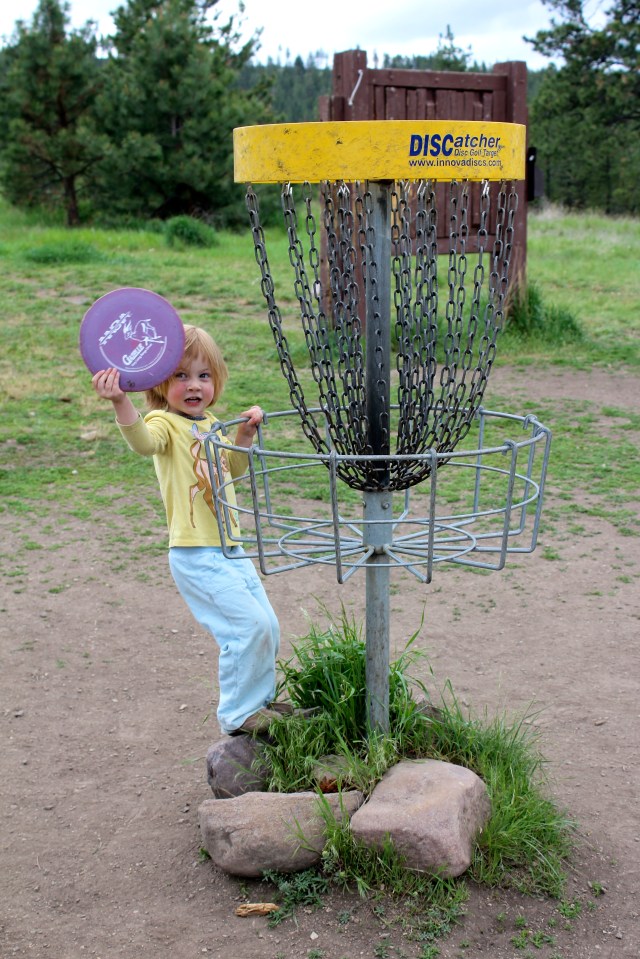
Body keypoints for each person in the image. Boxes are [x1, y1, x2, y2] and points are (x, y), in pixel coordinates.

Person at [91, 323, 290, 737]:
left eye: (203, 375)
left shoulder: (212, 423)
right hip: (196, 553)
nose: (193, 385)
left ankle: (262, 706)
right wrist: (120, 403)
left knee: (266, 625)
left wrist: (244, 434)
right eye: (180, 376)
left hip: (231, 549)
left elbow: (231, 470)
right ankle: (239, 716)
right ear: (159, 382)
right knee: (245, 628)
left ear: (216, 381)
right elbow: (142, 442)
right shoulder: (162, 422)